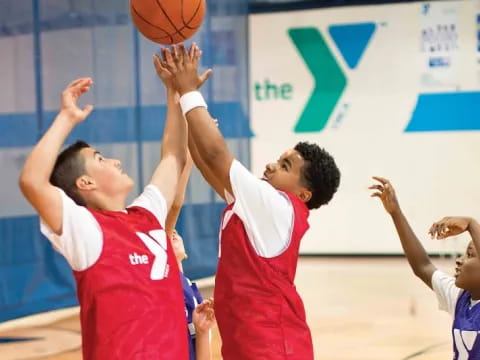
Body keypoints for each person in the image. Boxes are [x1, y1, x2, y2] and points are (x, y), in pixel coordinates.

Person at [160, 43, 341, 359]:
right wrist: (177, 95)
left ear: (304, 194)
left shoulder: (276, 205)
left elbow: (216, 155)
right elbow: (206, 162)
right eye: (278, 159)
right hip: (254, 344)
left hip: (272, 348)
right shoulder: (262, 207)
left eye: (285, 166)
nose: (272, 166)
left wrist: (188, 90)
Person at [18, 53, 191, 359]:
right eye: (101, 159)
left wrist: (174, 90)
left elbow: (173, 156)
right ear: (85, 183)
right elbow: (32, 182)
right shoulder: (85, 229)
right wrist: (67, 118)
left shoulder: (147, 214)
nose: (115, 161)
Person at [370, 176, 480, 359]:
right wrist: (396, 213)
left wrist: (471, 224)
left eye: (469, 255)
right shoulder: (459, 297)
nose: (459, 260)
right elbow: (422, 266)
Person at [164, 148, 216, 360]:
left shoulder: (190, 288)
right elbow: (175, 204)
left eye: (176, 231)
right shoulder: (164, 278)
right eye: (168, 232)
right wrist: (190, 153)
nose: (173, 232)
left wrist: (203, 332)